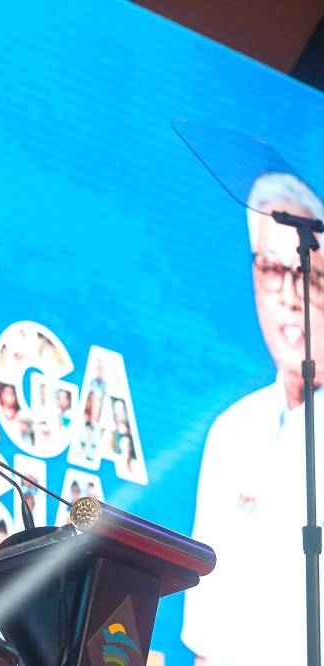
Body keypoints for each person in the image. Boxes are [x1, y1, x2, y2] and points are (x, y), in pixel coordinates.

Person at [182, 172, 324, 666]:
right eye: (271, 269)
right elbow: (208, 634)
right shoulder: (232, 431)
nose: (289, 294)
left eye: (308, 275)